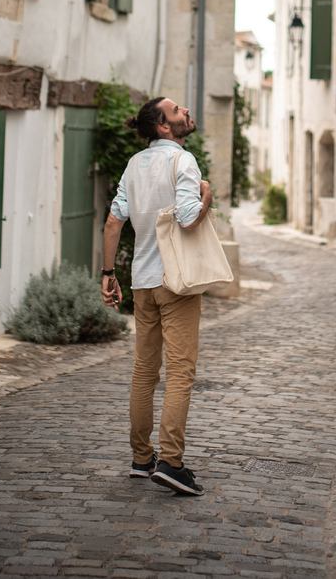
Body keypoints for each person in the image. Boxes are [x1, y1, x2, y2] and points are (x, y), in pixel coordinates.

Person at [100, 96, 214, 496]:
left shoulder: (134, 165)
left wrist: (108, 272)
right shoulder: (181, 161)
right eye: (178, 110)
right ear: (164, 127)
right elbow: (186, 217)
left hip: (142, 282)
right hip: (176, 281)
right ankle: (171, 462)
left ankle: (141, 458)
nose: (186, 110)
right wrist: (206, 198)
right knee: (181, 372)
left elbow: (114, 221)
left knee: (144, 372)